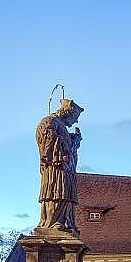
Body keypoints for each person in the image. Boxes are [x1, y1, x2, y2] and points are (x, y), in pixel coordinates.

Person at [36, 99, 84, 234]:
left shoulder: (61, 127)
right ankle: (52, 222)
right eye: (75, 117)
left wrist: (74, 140)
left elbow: (68, 148)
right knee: (56, 193)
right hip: (55, 168)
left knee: (66, 195)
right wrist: (62, 144)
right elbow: (45, 141)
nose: (76, 121)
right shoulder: (49, 121)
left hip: (67, 169)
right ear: (67, 112)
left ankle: (64, 221)